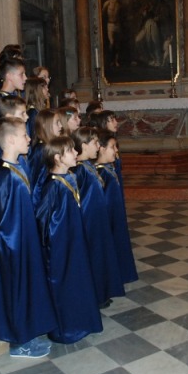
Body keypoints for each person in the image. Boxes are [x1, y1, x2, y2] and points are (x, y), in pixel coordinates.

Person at [0, 117, 56, 358]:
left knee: (27, 288)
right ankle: (18, 343)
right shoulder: (4, 176)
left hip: (24, 241)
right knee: (15, 291)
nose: (29, 138)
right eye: (25, 135)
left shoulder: (19, 166)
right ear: (11, 139)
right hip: (11, 244)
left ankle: (28, 333)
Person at [35, 136, 103, 344]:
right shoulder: (52, 186)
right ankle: (64, 329)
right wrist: (50, 248)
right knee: (63, 285)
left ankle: (80, 322)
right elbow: (42, 219)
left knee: (77, 281)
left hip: (74, 243)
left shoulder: (69, 178)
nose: (76, 153)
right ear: (58, 158)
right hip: (60, 248)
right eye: (71, 151)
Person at [71, 127, 125, 308]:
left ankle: (102, 291)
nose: (98, 146)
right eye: (95, 143)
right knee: (93, 258)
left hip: (97, 221)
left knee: (100, 257)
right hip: (89, 223)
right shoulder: (79, 170)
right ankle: (95, 295)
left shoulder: (88, 167)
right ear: (84, 145)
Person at [95, 130, 139, 284]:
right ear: (101, 149)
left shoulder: (108, 168)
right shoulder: (101, 173)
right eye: (112, 147)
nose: (116, 150)